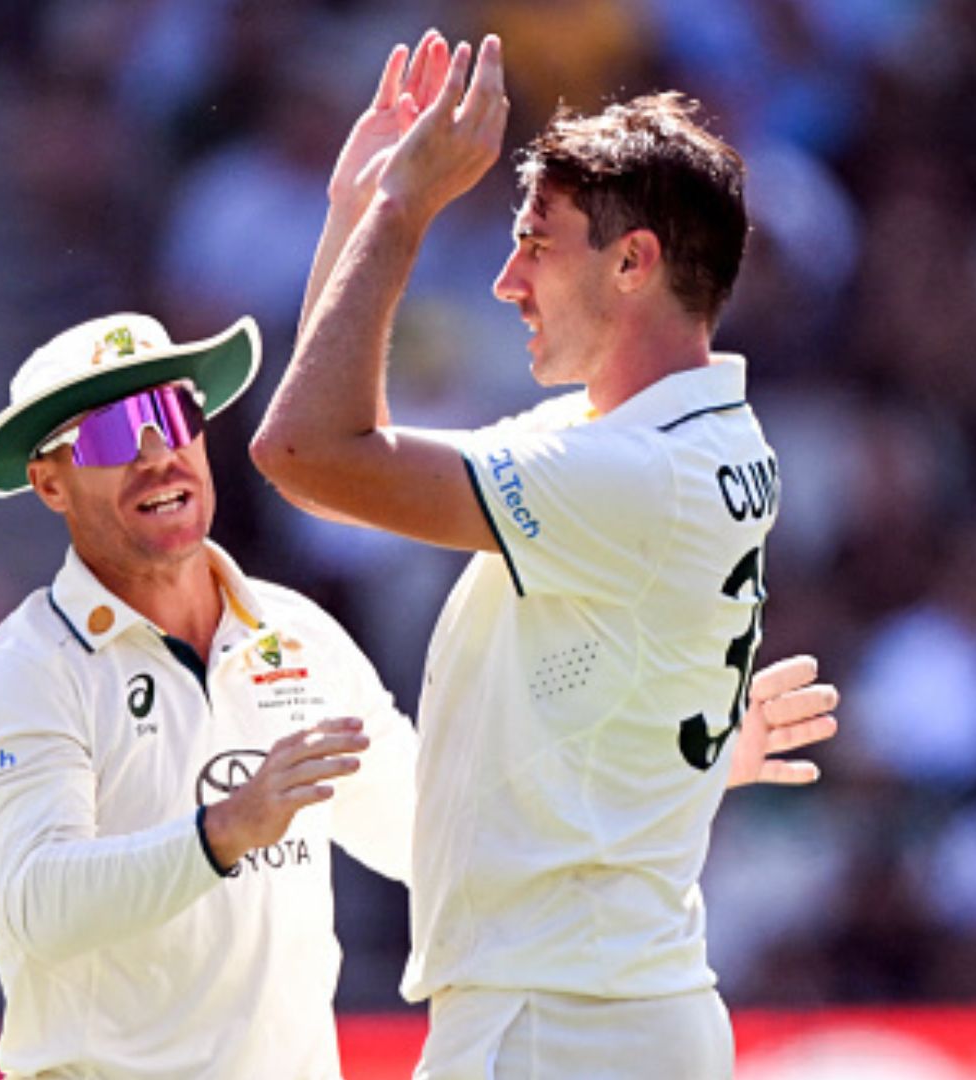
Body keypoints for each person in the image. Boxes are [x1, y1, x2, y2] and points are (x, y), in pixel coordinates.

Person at [0, 305, 834, 1077]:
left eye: (172, 412)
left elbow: (440, 832)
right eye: (106, 434)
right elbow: (32, 907)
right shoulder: (21, 674)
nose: (156, 454)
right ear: (47, 481)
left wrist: (668, 760)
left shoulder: (296, 636)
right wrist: (221, 832)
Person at [251, 31, 832, 1079]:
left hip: (557, 1030)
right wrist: (353, 215)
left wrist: (397, 215)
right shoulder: (664, 441)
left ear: (632, 260)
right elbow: (339, 471)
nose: (506, 280)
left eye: (535, 242)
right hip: (601, 1013)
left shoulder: (626, 473)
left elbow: (304, 454)